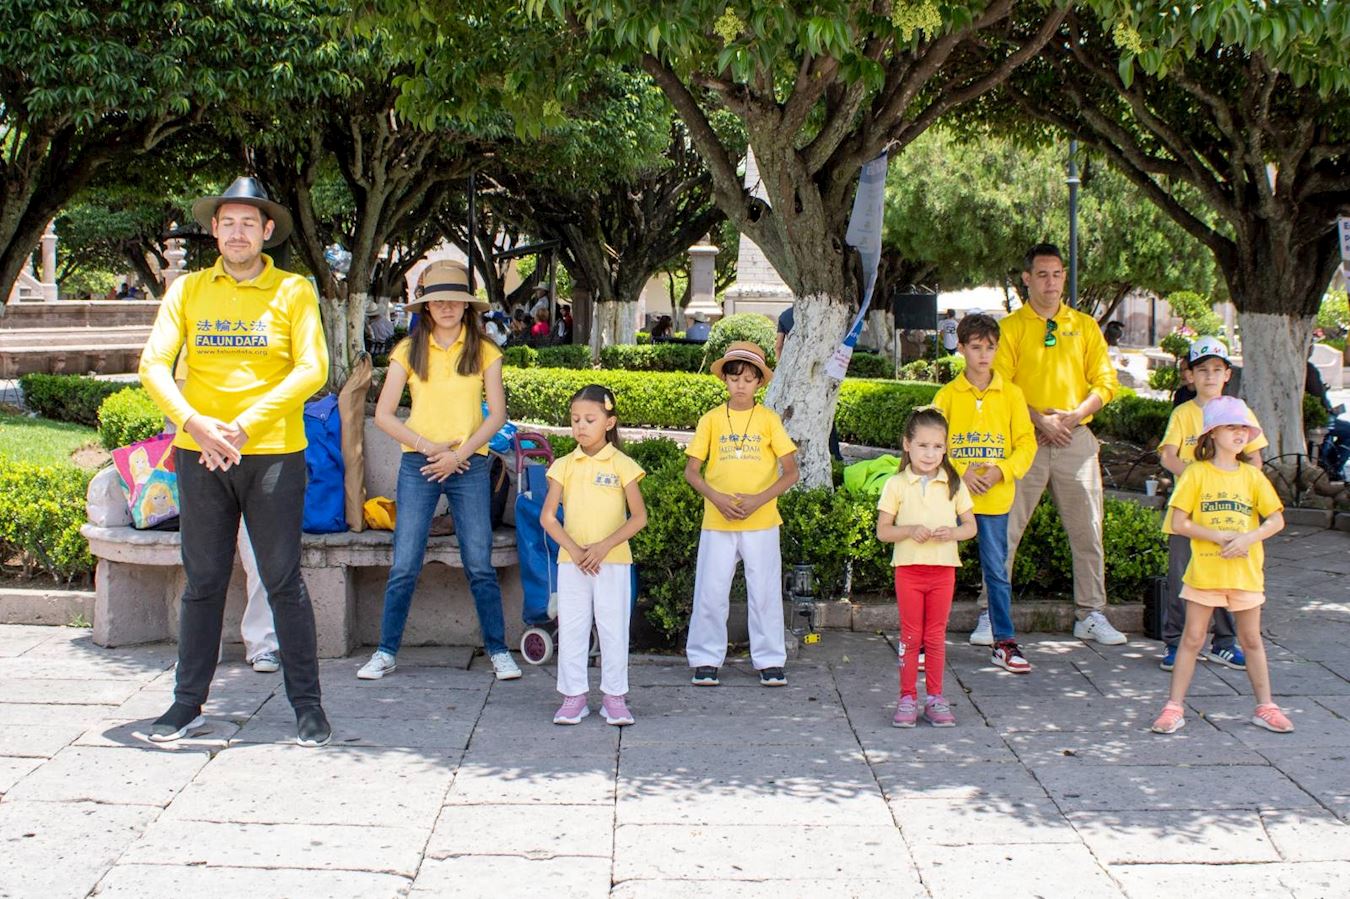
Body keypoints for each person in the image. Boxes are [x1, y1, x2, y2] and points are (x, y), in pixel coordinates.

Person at [138, 176, 331, 746]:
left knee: (283, 581)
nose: (238, 232)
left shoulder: (294, 291)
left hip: (272, 454)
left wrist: (244, 425)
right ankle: (185, 703)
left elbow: (312, 369)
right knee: (203, 581)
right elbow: (153, 365)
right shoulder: (189, 290)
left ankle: (309, 707)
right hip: (201, 457)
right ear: (214, 230)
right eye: (228, 222)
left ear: (268, 232)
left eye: (250, 222)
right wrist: (195, 424)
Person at [356, 260, 521, 682]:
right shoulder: (406, 351)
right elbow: (386, 416)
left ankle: (499, 650)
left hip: (470, 463)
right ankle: (385, 650)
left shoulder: (485, 349)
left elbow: (498, 414)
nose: (446, 307)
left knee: (479, 562)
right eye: (437, 301)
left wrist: (459, 454)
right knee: (405, 561)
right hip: (419, 463)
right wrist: (429, 448)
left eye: (455, 301)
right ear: (425, 308)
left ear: (467, 307)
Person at [970, 244, 1125, 647]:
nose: (1051, 282)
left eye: (1057, 274)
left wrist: (1072, 417)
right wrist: (1041, 419)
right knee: (1005, 530)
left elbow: (1106, 383)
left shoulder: (1085, 326)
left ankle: (1090, 613)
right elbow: (999, 382)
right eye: (1042, 274)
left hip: (1076, 438)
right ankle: (991, 613)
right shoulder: (1011, 328)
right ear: (1026, 278)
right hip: (1026, 439)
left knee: (1088, 529)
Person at [1151, 396, 1292, 735]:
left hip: (1245, 572)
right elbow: (1180, 522)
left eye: (1243, 427)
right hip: (1206, 572)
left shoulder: (1253, 476)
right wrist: (1217, 536)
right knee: (1193, 637)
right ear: (1212, 433)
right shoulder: (1196, 474)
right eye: (1231, 426)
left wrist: (1249, 538)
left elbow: (1276, 519)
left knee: (1251, 640)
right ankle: (1173, 708)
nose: (1240, 433)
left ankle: (1266, 706)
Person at [684, 342, 800, 687]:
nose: (741, 385)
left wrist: (758, 500)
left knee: (764, 591)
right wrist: (717, 498)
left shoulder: (768, 420)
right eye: (734, 378)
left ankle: (769, 660)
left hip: (761, 522)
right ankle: (705, 659)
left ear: (759, 383)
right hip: (717, 521)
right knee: (710, 590)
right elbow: (692, 471)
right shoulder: (711, 420)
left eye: (749, 379)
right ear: (724, 379)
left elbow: (790, 472)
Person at [933, 313, 1037, 674]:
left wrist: (1000, 471)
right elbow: (932, 444)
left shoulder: (1011, 394)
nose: (983, 355)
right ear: (960, 348)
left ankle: (1004, 642)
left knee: (996, 571)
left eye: (990, 348)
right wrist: (960, 472)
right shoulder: (946, 396)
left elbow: (1025, 443)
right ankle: (925, 642)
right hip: (951, 499)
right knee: (938, 566)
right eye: (975, 347)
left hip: (995, 500)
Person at [540, 385, 648, 726]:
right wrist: (574, 550)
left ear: (609, 421)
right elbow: (546, 517)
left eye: (589, 419)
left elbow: (639, 517)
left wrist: (603, 547)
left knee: (613, 628)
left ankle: (614, 698)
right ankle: (574, 697)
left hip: (613, 563)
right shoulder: (562, 465)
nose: (581, 426)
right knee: (572, 628)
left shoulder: (623, 464)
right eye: (575, 420)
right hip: (572, 565)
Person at [1158, 337, 1266, 672]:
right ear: (1189, 376)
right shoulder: (1183, 414)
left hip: (1230, 513)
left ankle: (1224, 642)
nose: (1209, 376)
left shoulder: (1239, 411)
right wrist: (1195, 479)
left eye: (1217, 370)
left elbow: (1256, 459)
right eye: (1202, 370)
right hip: (1188, 513)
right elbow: (1168, 455)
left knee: (1228, 576)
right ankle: (1176, 642)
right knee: (1181, 576)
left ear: (1227, 375)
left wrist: (1237, 483)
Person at [877, 407, 977, 727]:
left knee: (935, 635)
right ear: (907, 444)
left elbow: (970, 526)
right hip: (909, 570)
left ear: (945, 448)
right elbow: (883, 531)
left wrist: (953, 533)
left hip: (943, 570)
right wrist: (909, 531)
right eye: (923, 445)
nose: (930, 453)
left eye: (937, 446)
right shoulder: (896, 485)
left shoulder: (954, 484)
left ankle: (935, 697)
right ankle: (907, 697)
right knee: (911, 634)